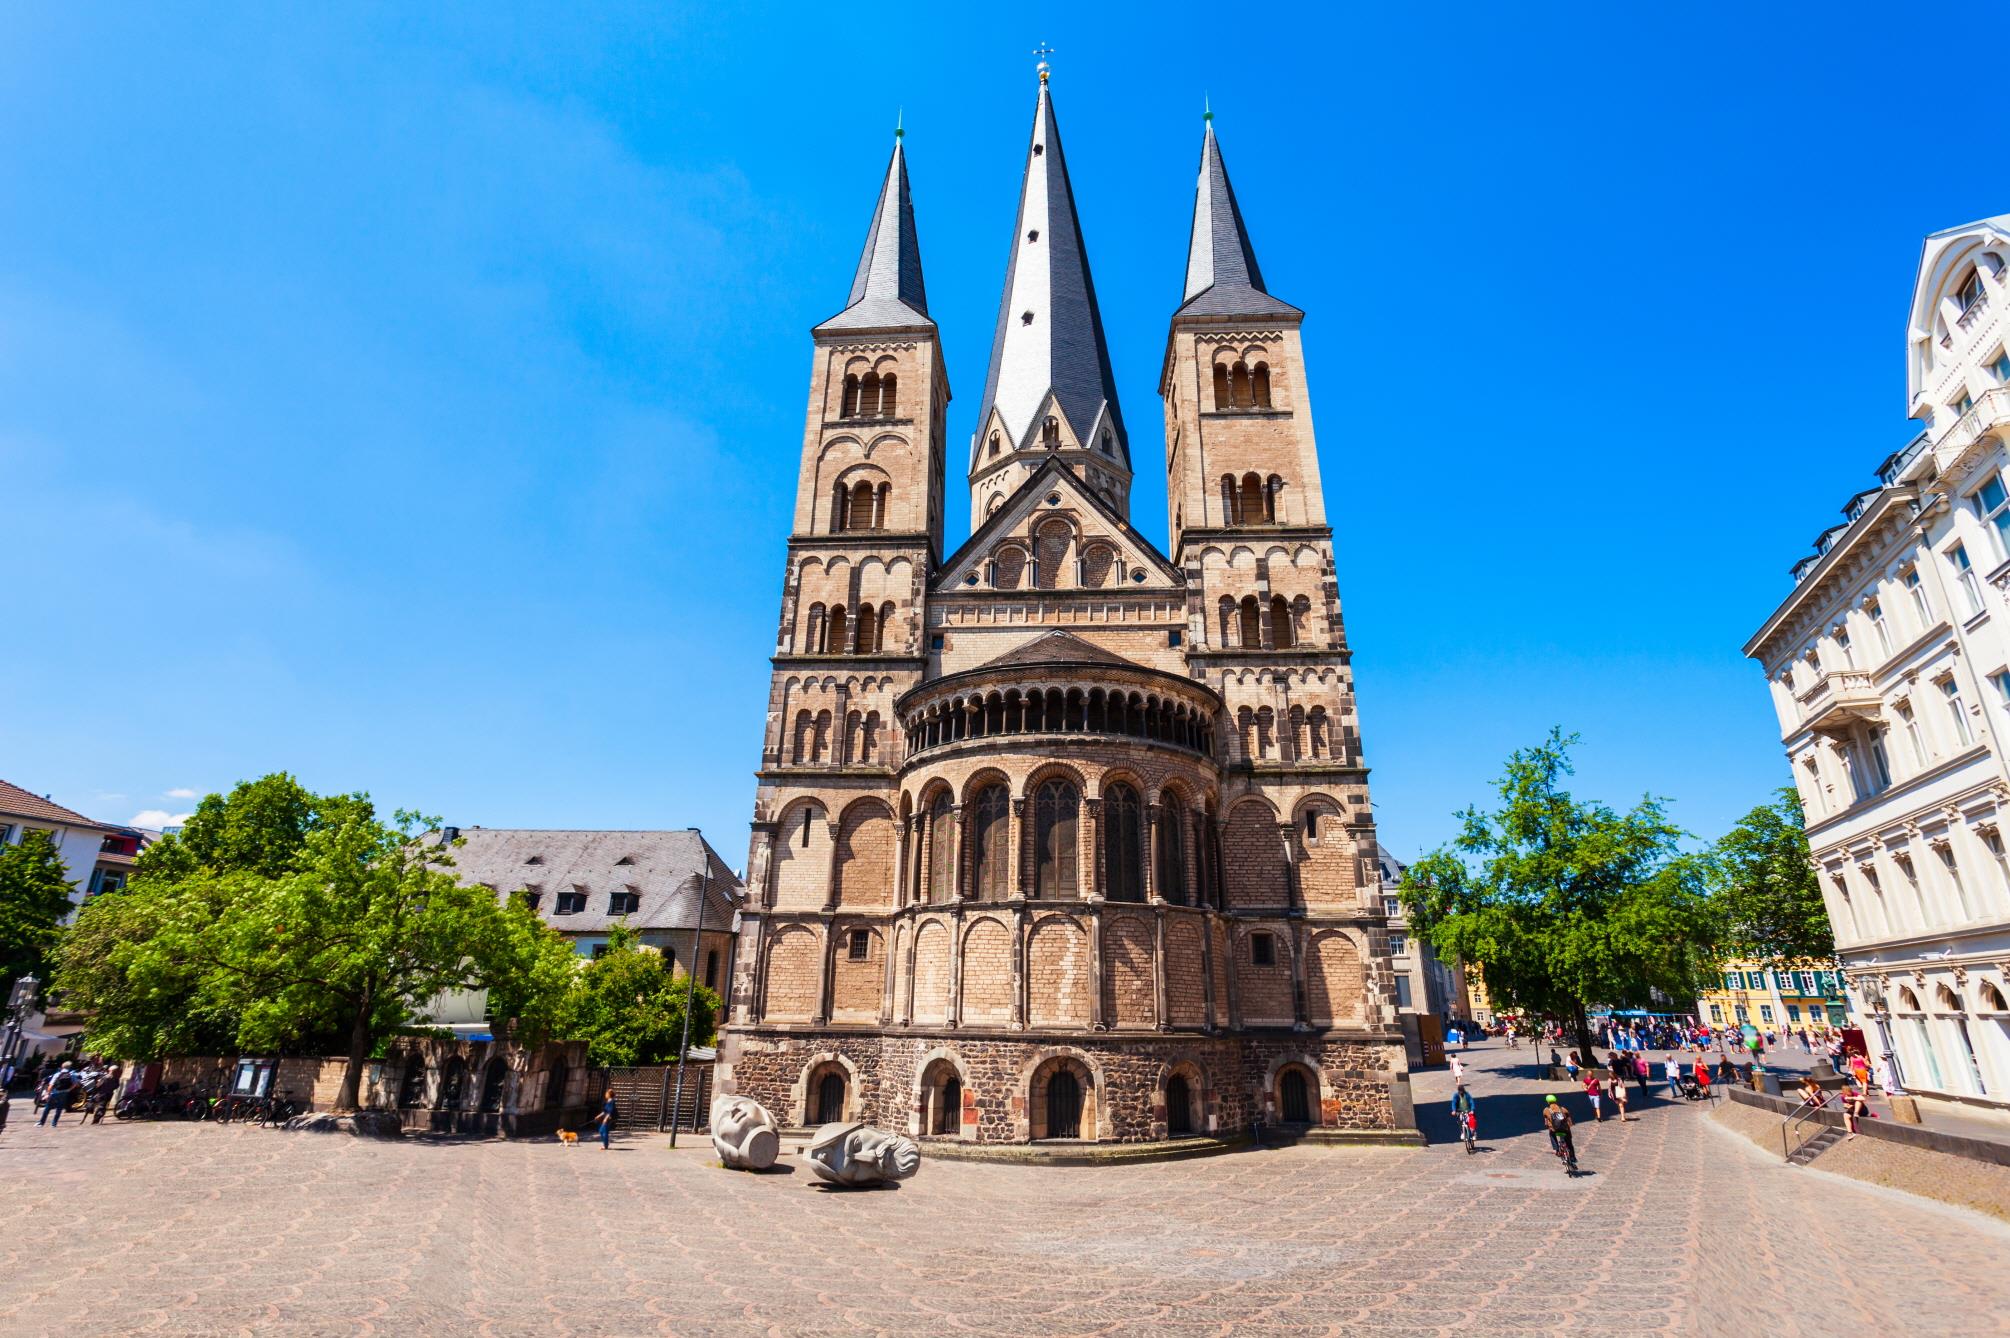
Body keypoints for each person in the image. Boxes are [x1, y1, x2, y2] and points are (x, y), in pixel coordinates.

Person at [1543, 1094, 1577, 1172]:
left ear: (1548, 1102)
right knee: (1569, 1143)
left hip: (1555, 1130)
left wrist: (1548, 1126)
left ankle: (1557, 1149)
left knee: (1551, 1134)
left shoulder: (1546, 1110)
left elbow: (1546, 1122)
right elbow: (1569, 1119)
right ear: (1556, 1101)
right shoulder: (1563, 1109)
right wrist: (1570, 1125)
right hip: (1565, 1129)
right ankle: (1572, 1157)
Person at [38, 1062, 79, 1127]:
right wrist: (69, 1089)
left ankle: (41, 1123)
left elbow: (51, 1085)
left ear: (62, 1067)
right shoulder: (71, 1074)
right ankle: (54, 1124)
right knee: (59, 1109)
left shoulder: (57, 1074)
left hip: (55, 1092)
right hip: (64, 1093)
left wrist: (47, 1093)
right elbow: (75, 1084)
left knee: (48, 1107)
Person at [1451, 1083, 1477, 1151]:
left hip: (1468, 1110)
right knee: (1460, 1121)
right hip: (1460, 1111)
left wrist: (1472, 1110)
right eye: (1460, 1091)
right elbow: (1454, 1102)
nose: (1461, 1092)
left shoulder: (1467, 1095)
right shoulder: (1456, 1095)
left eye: (1462, 1090)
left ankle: (1473, 1133)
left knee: (1472, 1120)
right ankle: (1462, 1132)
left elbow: (1471, 1102)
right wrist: (1454, 1110)